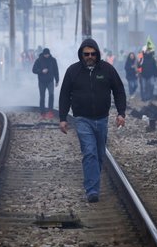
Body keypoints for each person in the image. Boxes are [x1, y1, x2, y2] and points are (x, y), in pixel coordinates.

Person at [58, 39, 126, 203]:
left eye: (93, 54)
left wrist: (121, 113)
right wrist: (63, 118)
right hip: (82, 119)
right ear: (81, 54)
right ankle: (92, 190)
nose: (90, 57)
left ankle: (93, 180)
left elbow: (119, 91)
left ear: (97, 54)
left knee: (99, 154)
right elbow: (64, 95)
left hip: (102, 119)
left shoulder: (107, 70)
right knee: (89, 153)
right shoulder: (73, 71)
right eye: (86, 54)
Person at [32, 48, 59, 118]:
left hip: (50, 81)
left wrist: (57, 80)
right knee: (42, 97)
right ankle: (42, 112)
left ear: (49, 54)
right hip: (42, 82)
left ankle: (50, 111)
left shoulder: (53, 60)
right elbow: (34, 70)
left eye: (47, 54)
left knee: (51, 95)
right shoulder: (39, 60)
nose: (46, 55)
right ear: (43, 54)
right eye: (45, 54)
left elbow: (56, 70)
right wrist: (41, 71)